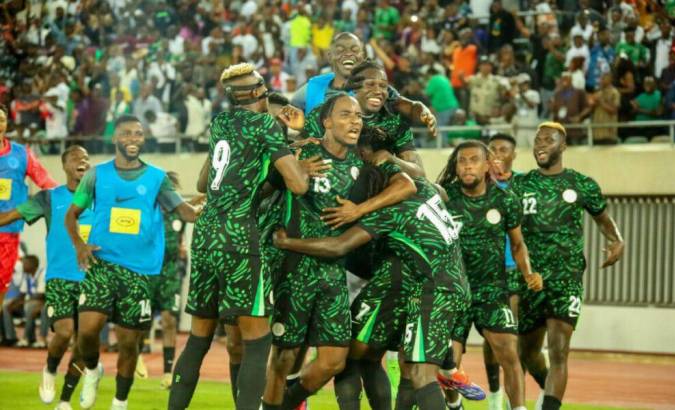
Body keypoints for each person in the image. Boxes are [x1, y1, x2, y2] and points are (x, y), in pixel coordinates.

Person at [168, 63, 309, 410]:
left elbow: (203, 183)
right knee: (257, 342)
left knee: (198, 337)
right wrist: (296, 156)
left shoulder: (220, 123)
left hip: (206, 235)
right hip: (239, 236)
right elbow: (298, 185)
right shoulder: (265, 126)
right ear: (259, 92)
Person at [262, 95, 415, 409]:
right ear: (327, 122)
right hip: (294, 269)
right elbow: (265, 186)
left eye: (358, 116)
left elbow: (408, 184)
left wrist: (360, 209)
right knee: (284, 356)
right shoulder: (304, 151)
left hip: (334, 271)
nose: (355, 121)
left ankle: (286, 404)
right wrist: (293, 169)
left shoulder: (363, 162)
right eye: (346, 115)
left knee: (333, 360)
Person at [272, 169, 468, 410]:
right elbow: (439, 192)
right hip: (442, 284)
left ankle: (282, 405)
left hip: (426, 288)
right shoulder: (423, 188)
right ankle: (449, 373)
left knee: (415, 372)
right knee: (379, 361)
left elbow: (339, 246)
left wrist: (287, 242)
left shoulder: (387, 213)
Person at [65, 114, 202, 410]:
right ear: (115, 138)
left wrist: (214, 202)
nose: (133, 139)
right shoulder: (96, 175)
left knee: (129, 344)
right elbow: (71, 215)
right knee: (86, 332)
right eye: (126, 133)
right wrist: (79, 244)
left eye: (138, 134)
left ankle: (120, 401)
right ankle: (93, 370)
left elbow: (186, 212)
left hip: (139, 273)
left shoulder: (157, 178)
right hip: (101, 265)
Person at [512, 122, 624, 410]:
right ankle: (541, 391)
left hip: (567, 278)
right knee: (527, 352)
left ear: (562, 146)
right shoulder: (520, 184)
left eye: (548, 140)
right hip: (530, 279)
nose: (540, 145)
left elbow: (603, 219)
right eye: (537, 140)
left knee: (559, 350)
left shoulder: (581, 183)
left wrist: (616, 240)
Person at [437, 140, 543, 410]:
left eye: (474, 160)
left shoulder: (505, 200)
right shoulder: (445, 199)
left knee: (510, 353)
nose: (467, 166)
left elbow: (518, 245)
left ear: (486, 166)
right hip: (454, 292)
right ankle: (454, 405)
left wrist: (528, 272)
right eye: (462, 161)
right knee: (448, 363)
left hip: (492, 292)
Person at [0, 145, 91, 410]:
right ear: (64, 166)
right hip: (60, 277)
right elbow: (11, 215)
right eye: (75, 157)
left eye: (86, 158)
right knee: (64, 332)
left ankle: (65, 400)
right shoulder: (49, 198)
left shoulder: (102, 198)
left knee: (85, 341)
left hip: (92, 280)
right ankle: (50, 370)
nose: (82, 161)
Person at [290, 32, 437, 137]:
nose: (348, 54)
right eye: (340, 50)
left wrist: (422, 110)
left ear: (362, 56)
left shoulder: (374, 89)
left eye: (355, 50)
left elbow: (406, 105)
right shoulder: (313, 86)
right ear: (330, 56)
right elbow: (289, 110)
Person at [301, 60, 425, 178]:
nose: (378, 91)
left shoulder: (395, 120)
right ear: (354, 88)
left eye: (383, 86)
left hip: (377, 185)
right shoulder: (325, 112)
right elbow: (301, 149)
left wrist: (391, 159)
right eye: (370, 84)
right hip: (330, 180)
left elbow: (419, 173)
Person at [0, 104, 57, 308]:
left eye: (1, 120)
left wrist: (71, 197)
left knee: (1, 286)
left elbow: (46, 181)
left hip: (8, 232)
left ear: (7, 123)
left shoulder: (21, 154)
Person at [153, 171, 189, 389]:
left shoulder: (180, 215)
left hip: (171, 273)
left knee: (169, 321)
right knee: (139, 323)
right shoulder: (148, 210)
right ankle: (135, 357)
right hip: (147, 271)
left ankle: (167, 372)